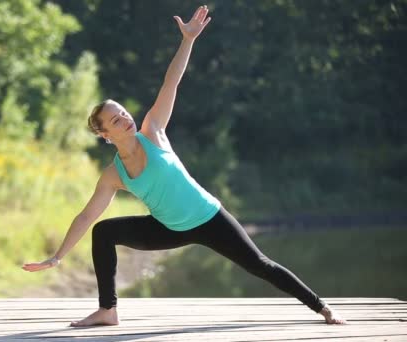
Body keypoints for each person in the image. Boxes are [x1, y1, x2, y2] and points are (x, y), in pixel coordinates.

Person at [22, 5, 347, 327]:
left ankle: (321, 308)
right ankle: (108, 310)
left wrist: (188, 40)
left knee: (259, 264)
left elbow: (170, 83)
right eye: (114, 120)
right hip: (167, 228)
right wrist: (57, 257)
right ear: (105, 135)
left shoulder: (154, 131)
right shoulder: (113, 175)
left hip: (209, 217)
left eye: (123, 113)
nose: (124, 119)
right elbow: (86, 215)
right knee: (103, 231)